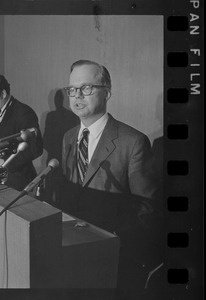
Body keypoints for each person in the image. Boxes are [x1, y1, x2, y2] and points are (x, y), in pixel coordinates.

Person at [61, 60, 163, 293]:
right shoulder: (67, 137)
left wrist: (114, 242)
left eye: (86, 88)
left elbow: (147, 207)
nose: (77, 96)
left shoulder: (133, 141)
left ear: (107, 92)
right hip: (72, 250)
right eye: (72, 89)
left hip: (112, 255)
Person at [0, 74, 43, 191]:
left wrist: (4, 164)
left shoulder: (24, 112)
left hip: (15, 179)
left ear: (3, 94)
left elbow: (36, 149)